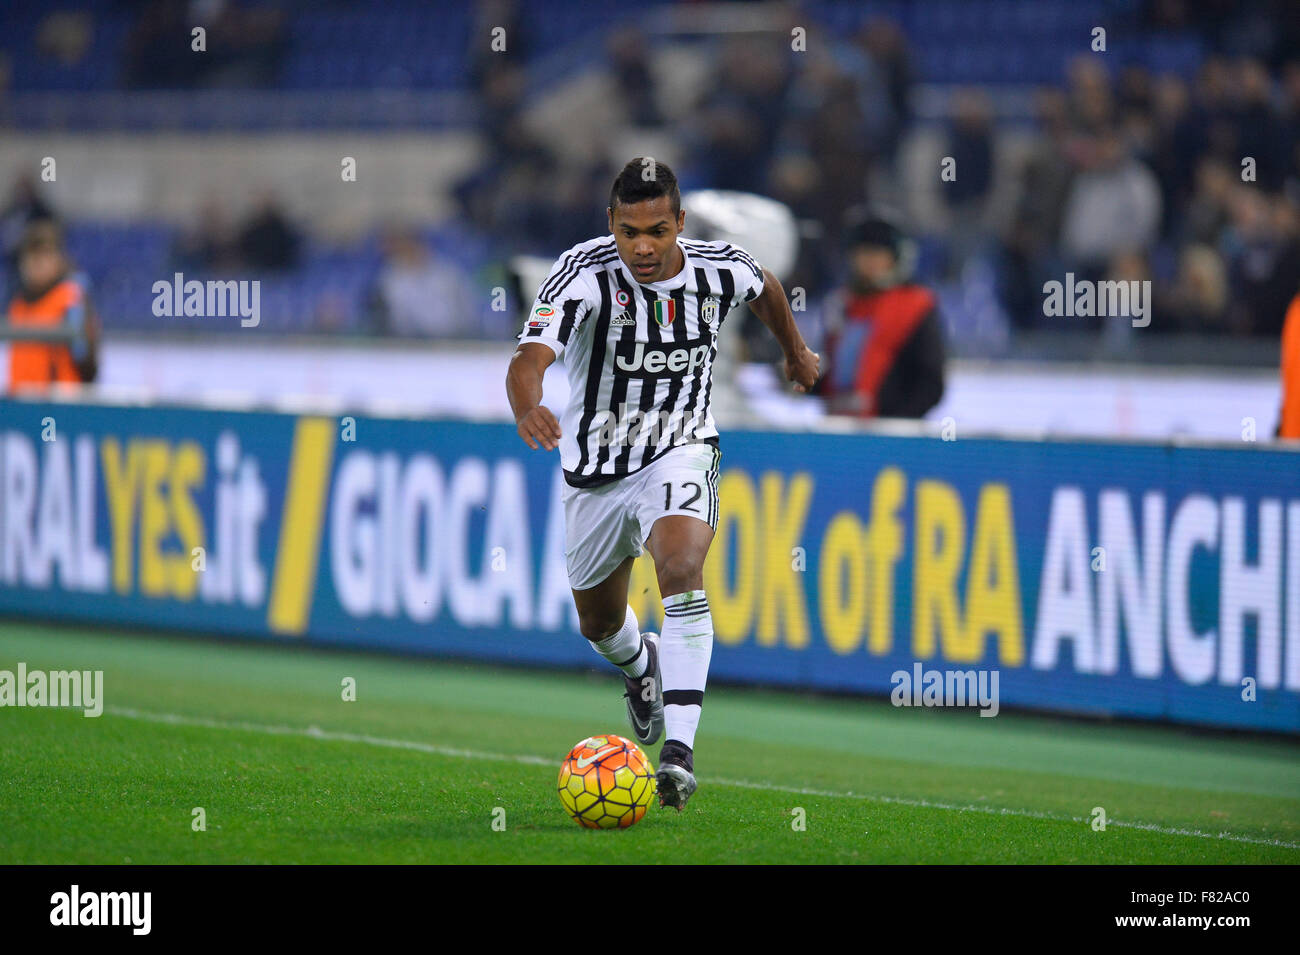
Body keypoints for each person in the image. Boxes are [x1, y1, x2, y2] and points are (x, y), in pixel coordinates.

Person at [504, 158, 819, 810]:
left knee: (679, 567)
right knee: (598, 623)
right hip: (595, 474)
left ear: (679, 221)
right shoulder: (582, 276)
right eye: (628, 231)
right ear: (610, 225)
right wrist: (527, 404)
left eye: (656, 229)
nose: (642, 246)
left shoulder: (717, 266)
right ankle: (642, 668)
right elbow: (529, 359)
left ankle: (678, 754)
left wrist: (794, 349)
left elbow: (764, 287)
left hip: (680, 449)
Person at [813, 214, 944, 418]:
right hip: (838, 427)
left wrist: (896, 425)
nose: (870, 261)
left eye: (878, 254)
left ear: (896, 258)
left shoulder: (917, 305)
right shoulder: (840, 304)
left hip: (887, 435)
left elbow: (931, 382)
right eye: (863, 253)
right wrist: (803, 380)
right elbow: (837, 375)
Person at [5, 219, 99, 392]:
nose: (36, 264)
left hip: (58, 407)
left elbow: (87, 363)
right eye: (32, 257)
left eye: (44, 256)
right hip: (20, 405)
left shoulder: (70, 299)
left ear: (58, 259)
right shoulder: (18, 304)